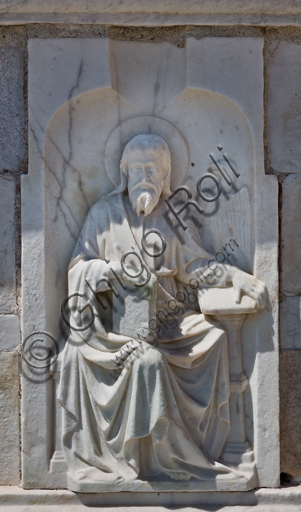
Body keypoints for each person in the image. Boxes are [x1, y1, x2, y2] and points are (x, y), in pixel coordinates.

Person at [58, 134, 266, 487]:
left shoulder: (173, 216)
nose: (144, 176)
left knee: (215, 337)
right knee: (147, 361)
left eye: (151, 168)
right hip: (115, 328)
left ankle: (213, 447)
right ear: (123, 172)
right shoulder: (103, 214)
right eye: (136, 169)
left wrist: (236, 276)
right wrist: (112, 272)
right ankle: (160, 457)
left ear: (165, 173)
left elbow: (195, 265)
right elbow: (77, 269)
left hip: (169, 321)